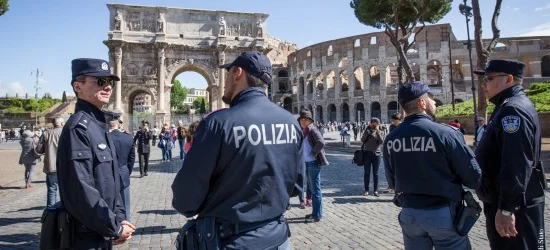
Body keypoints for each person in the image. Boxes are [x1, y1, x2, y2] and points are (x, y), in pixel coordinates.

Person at [172, 51, 304, 249]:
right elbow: (297, 186)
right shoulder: (291, 123)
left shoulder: (217, 124)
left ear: (238, 73)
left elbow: (185, 199)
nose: (224, 81)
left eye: (228, 73)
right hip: (278, 238)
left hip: (230, 241)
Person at [383, 81, 481, 249]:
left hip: (410, 214)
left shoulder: (391, 139)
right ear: (422, 103)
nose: (434, 102)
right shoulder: (446, 133)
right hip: (443, 213)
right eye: (431, 98)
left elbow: (392, 182)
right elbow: (473, 177)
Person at [56, 58, 135, 248]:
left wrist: (119, 219)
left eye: (109, 82)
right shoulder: (78, 128)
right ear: (78, 86)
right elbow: (82, 188)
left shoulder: (99, 127)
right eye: (99, 81)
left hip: (101, 232)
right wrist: (113, 227)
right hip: (84, 235)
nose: (107, 87)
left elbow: (113, 183)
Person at [474, 60, 546, 250]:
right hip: (512, 201)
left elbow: (516, 162)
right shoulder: (507, 105)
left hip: (515, 206)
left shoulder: (512, 110)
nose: (484, 84)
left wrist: (506, 208)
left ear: (510, 79)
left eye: (489, 79)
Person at [298, 109, 328, 222]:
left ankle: (317, 214)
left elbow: (321, 142)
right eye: (302, 119)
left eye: (305, 119)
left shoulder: (312, 130)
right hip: (307, 162)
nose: (303, 121)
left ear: (310, 120)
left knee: (315, 190)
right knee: (312, 187)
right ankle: (315, 212)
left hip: (313, 162)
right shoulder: (304, 130)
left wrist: (313, 153)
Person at [109, 119, 136, 222]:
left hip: (109, 174)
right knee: (126, 203)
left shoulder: (104, 137)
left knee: (110, 202)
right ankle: (127, 223)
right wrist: (127, 171)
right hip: (124, 173)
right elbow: (132, 158)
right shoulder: (128, 138)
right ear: (118, 125)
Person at [35, 117, 64, 208]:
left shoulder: (46, 133)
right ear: (62, 124)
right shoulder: (66, 132)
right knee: (66, 190)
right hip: (65, 166)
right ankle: (67, 211)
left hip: (51, 165)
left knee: (52, 189)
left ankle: (51, 212)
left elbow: (39, 149)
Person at [360, 118, 385, 197]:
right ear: (370, 124)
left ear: (378, 124)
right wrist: (367, 133)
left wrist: (377, 131)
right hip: (367, 153)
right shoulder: (367, 131)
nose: (374, 125)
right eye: (373, 123)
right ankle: (366, 190)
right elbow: (362, 140)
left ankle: (375, 190)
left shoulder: (381, 132)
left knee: (376, 173)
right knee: (367, 173)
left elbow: (381, 142)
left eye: (376, 123)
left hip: (377, 154)